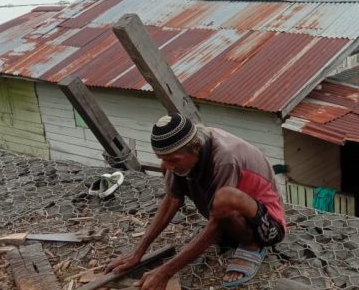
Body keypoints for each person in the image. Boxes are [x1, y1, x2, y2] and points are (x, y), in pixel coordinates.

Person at [104, 113, 287, 289]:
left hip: (267, 226)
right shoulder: (185, 150)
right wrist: (138, 251)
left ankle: (251, 245)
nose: (169, 165)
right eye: (163, 158)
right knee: (170, 169)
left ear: (196, 147)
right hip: (228, 217)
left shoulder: (226, 159)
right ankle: (232, 235)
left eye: (174, 159)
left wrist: (165, 272)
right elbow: (172, 200)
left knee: (224, 200)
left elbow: (217, 222)